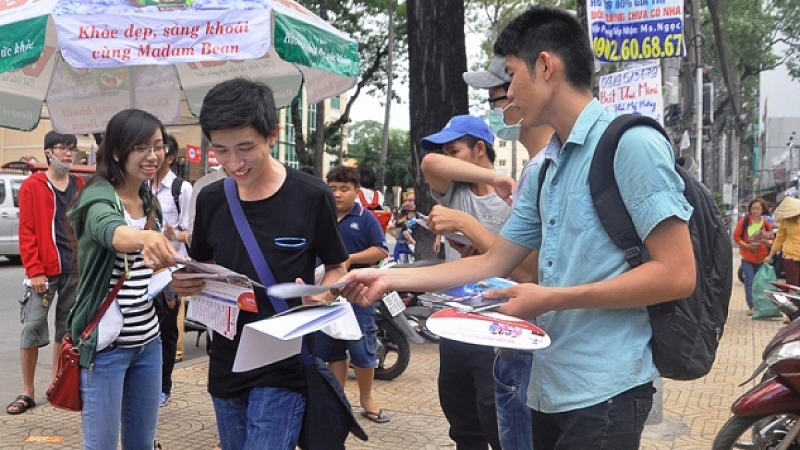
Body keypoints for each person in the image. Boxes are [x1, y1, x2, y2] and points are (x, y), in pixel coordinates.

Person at [337, 6, 696, 450]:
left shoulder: (631, 144)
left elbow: (677, 274)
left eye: (511, 75)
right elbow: (494, 259)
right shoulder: (547, 168)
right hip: (545, 380)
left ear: (545, 66)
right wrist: (388, 276)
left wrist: (552, 299)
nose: (507, 96)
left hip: (606, 389)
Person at [171, 78, 349, 450]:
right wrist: (183, 282)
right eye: (220, 150)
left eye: (245, 148)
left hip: (283, 361)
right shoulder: (211, 198)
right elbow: (201, 265)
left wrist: (325, 293)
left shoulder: (311, 195)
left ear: (273, 134)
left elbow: (337, 266)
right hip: (226, 358)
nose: (233, 163)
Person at [66, 109, 179, 449]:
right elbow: (109, 232)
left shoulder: (148, 199)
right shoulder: (98, 196)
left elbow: (149, 267)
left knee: (141, 444)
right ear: (117, 152)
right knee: (101, 445)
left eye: (158, 146)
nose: (152, 156)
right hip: (106, 349)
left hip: (149, 343)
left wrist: (174, 276)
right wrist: (144, 238)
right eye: (141, 147)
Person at [461, 55, 553, 450]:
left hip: (534, 345)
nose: (499, 105)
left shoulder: (543, 169)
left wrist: (467, 227)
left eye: (499, 94)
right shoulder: (539, 167)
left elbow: (528, 270)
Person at [419, 114, 512, 450]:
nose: (444, 157)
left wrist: (472, 231)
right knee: (462, 423)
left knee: (496, 419)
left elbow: (521, 266)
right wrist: (495, 177)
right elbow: (429, 162)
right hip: (456, 321)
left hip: (499, 327)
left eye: (453, 150)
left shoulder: (513, 202)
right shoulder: (454, 190)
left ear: (479, 148)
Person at [8, 131, 85, 415]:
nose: (68, 154)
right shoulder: (33, 185)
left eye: (72, 149)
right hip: (44, 272)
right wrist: (35, 270)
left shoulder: (80, 185)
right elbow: (26, 231)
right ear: (48, 153)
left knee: (65, 330)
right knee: (32, 327)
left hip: (74, 269)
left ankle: (56, 383)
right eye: (62, 148)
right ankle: (27, 390)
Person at [315, 165, 390, 423]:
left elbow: (381, 250)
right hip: (326, 296)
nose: (337, 194)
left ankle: (367, 399)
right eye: (332, 188)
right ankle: (338, 399)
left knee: (361, 348)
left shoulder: (365, 218)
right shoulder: (320, 217)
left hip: (358, 295)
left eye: (344, 189)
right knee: (330, 347)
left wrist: (349, 259)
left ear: (356, 192)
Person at [151, 134, 193, 407]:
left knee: (166, 331)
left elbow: (192, 232)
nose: (151, 156)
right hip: (143, 269)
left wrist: (173, 234)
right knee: (144, 330)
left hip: (170, 271)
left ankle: (163, 387)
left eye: (158, 150)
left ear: (169, 157)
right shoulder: (141, 185)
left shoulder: (182, 189)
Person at [733, 198, 773, 316]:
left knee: (759, 282)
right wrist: (747, 245)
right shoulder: (744, 222)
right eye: (753, 208)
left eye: (758, 208)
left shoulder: (766, 223)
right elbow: (736, 237)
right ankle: (751, 305)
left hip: (761, 257)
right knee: (749, 281)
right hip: (747, 256)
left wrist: (766, 242)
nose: (755, 211)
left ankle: (759, 304)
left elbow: (772, 239)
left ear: (762, 210)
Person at [767, 196, 800, 288]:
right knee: (793, 287)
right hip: (790, 257)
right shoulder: (784, 221)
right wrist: (770, 256)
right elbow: (779, 239)